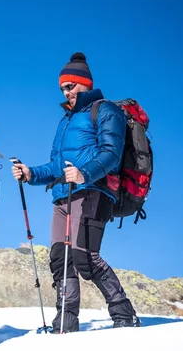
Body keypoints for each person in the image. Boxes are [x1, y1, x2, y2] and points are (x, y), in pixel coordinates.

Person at [12, 52, 140, 333]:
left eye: (70, 86)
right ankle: (66, 321)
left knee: (85, 257)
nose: (66, 92)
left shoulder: (105, 110)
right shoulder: (66, 121)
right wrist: (31, 173)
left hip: (94, 192)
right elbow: (57, 164)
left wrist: (84, 174)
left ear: (84, 84)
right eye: (62, 88)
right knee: (60, 258)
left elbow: (111, 153)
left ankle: (124, 313)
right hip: (63, 196)